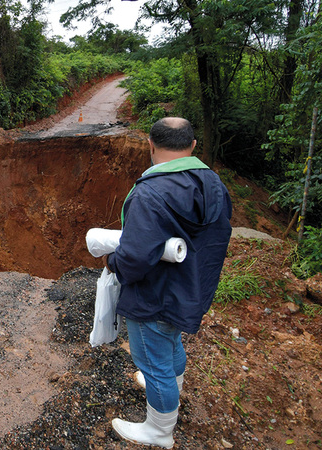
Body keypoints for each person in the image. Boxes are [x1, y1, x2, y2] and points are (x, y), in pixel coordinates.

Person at [102, 117, 232, 448]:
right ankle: (172, 386)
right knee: (171, 343)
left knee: (153, 360)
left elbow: (133, 258)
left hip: (154, 295)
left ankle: (159, 432)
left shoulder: (151, 193)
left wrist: (112, 261)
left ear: (151, 144)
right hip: (191, 288)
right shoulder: (214, 184)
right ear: (192, 147)